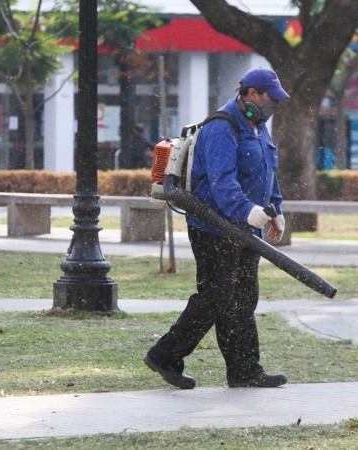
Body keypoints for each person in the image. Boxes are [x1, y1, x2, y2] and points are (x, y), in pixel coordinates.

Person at [144, 67, 289, 389]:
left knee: (243, 299)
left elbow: (267, 172)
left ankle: (245, 371)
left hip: (246, 229)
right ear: (251, 93)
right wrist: (246, 210)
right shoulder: (221, 127)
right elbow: (222, 182)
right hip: (214, 228)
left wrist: (275, 210)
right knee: (215, 298)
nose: (273, 106)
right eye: (270, 99)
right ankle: (164, 355)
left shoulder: (258, 127)